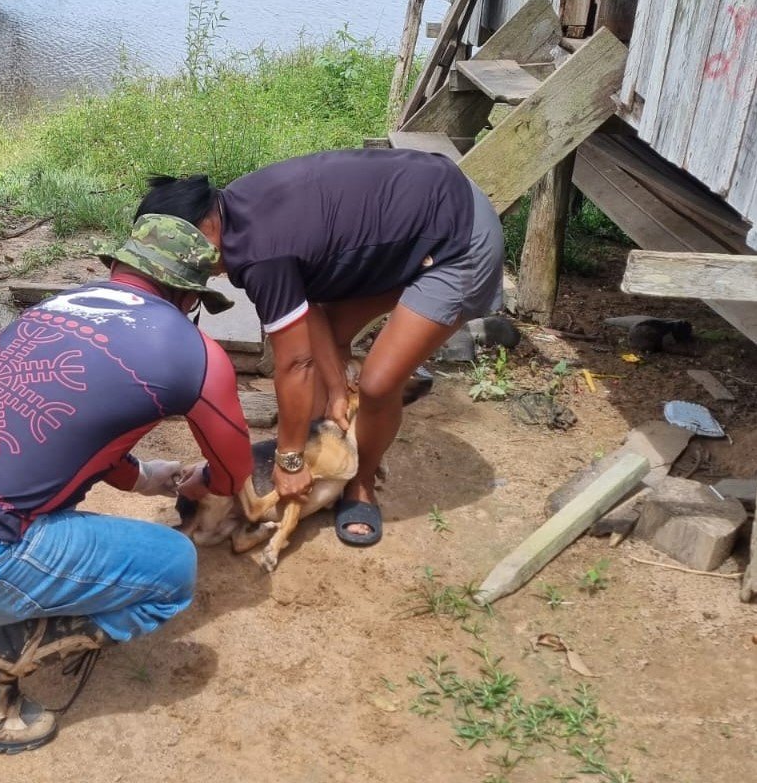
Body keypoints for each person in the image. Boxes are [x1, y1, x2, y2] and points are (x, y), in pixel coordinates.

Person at [0, 213, 253, 754]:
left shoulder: (62, 304)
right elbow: (233, 474)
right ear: (189, 299)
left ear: (118, 267)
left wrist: (144, 479)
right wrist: (200, 481)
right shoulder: (199, 356)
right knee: (173, 567)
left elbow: (66, 422)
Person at [136, 149, 504, 549]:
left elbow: (295, 362)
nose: (187, 273)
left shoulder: (260, 252)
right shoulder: (234, 214)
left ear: (205, 224)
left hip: (458, 237)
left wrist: (289, 459)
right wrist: (332, 393)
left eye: (180, 257)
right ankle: (329, 445)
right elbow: (306, 310)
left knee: (378, 384)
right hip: (415, 219)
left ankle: (360, 486)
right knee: (320, 355)